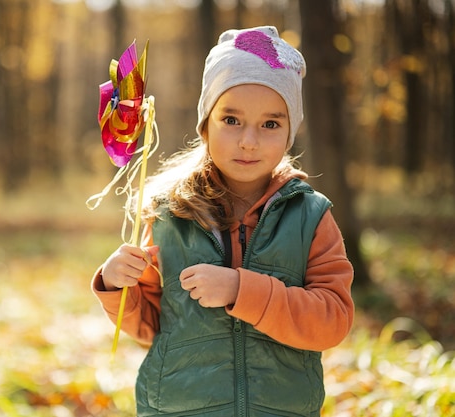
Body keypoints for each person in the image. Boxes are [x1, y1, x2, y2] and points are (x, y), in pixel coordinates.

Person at [91, 26, 354, 417]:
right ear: (205, 124)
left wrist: (240, 290)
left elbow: (332, 320)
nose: (249, 140)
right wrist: (115, 284)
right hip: (180, 408)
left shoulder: (310, 216)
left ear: (289, 133)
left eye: (270, 124)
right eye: (231, 120)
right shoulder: (169, 215)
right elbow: (150, 327)